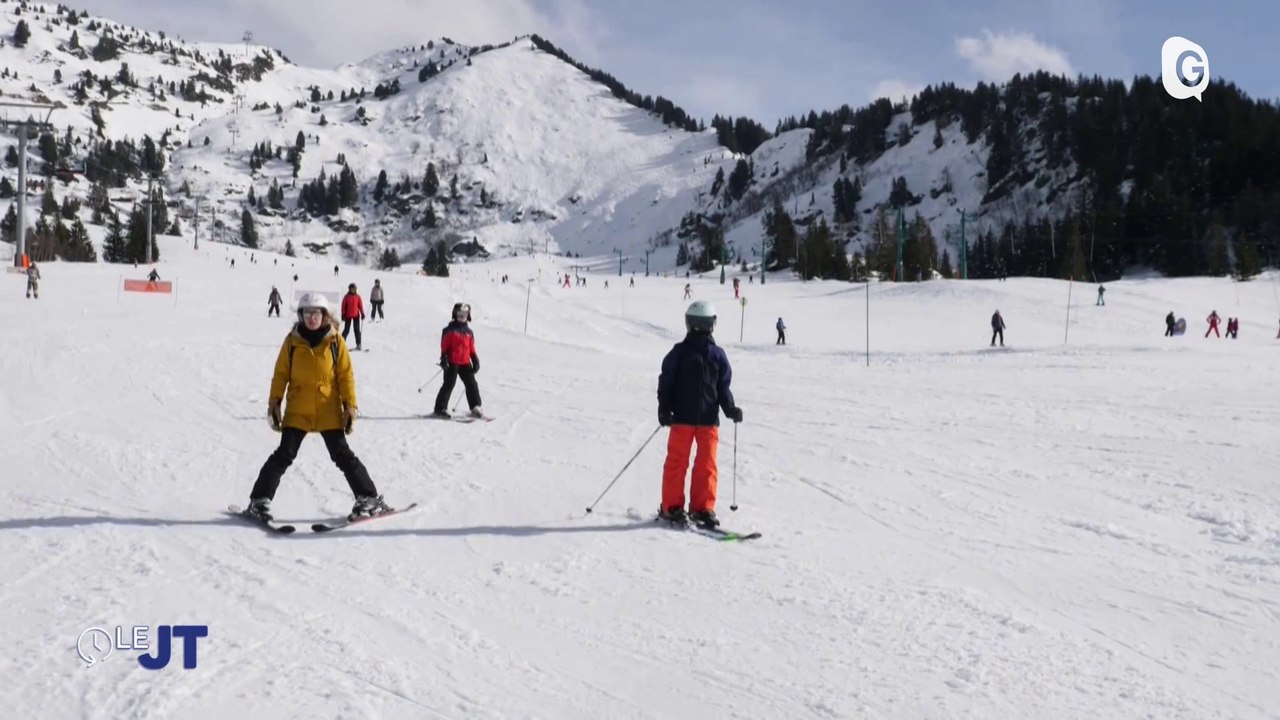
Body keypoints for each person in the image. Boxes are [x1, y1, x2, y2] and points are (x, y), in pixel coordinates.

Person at [244, 293, 388, 522]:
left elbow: (345, 376)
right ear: (301, 316)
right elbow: (281, 374)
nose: (312, 318)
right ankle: (259, 501)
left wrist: (349, 406)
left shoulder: (335, 341)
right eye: (307, 313)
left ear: (325, 316)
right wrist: (274, 403)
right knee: (284, 454)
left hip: (327, 409)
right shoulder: (292, 341)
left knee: (342, 455)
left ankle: (368, 498)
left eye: (317, 313)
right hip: (298, 410)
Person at [657, 301, 743, 529]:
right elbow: (666, 383)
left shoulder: (716, 355)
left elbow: (723, 388)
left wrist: (730, 408)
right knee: (681, 462)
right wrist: (664, 408)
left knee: (705, 464)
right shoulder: (680, 353)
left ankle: (702, 508)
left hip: (706, 420)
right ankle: (672, 507)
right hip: (683, 418)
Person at [433, 303, 483, 418]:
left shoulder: (469, 332)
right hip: (452, 362)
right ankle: (440, 408)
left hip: (465, 362)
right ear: (455, 315)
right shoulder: (449, 330)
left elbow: (471, 348)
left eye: (464, 314)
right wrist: (444, 358)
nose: (461, 317)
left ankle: (475, 406)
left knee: (471, 384)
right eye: (459, 314)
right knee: (449, 383)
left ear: (468, 315)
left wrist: (475, 359)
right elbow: (444, 346)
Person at [340, 283, 364, 350]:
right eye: (352, 289)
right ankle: (340, 343)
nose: (353, 290)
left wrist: (362, 313)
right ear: (349, 289)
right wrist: (343, 314)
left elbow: (360, 306)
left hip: (356, 315)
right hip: (348, 315)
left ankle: (358, 344)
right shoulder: (346, 297)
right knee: (346, 330)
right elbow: (343, 306)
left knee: (357, 330)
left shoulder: (358, 297)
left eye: (354, 289)